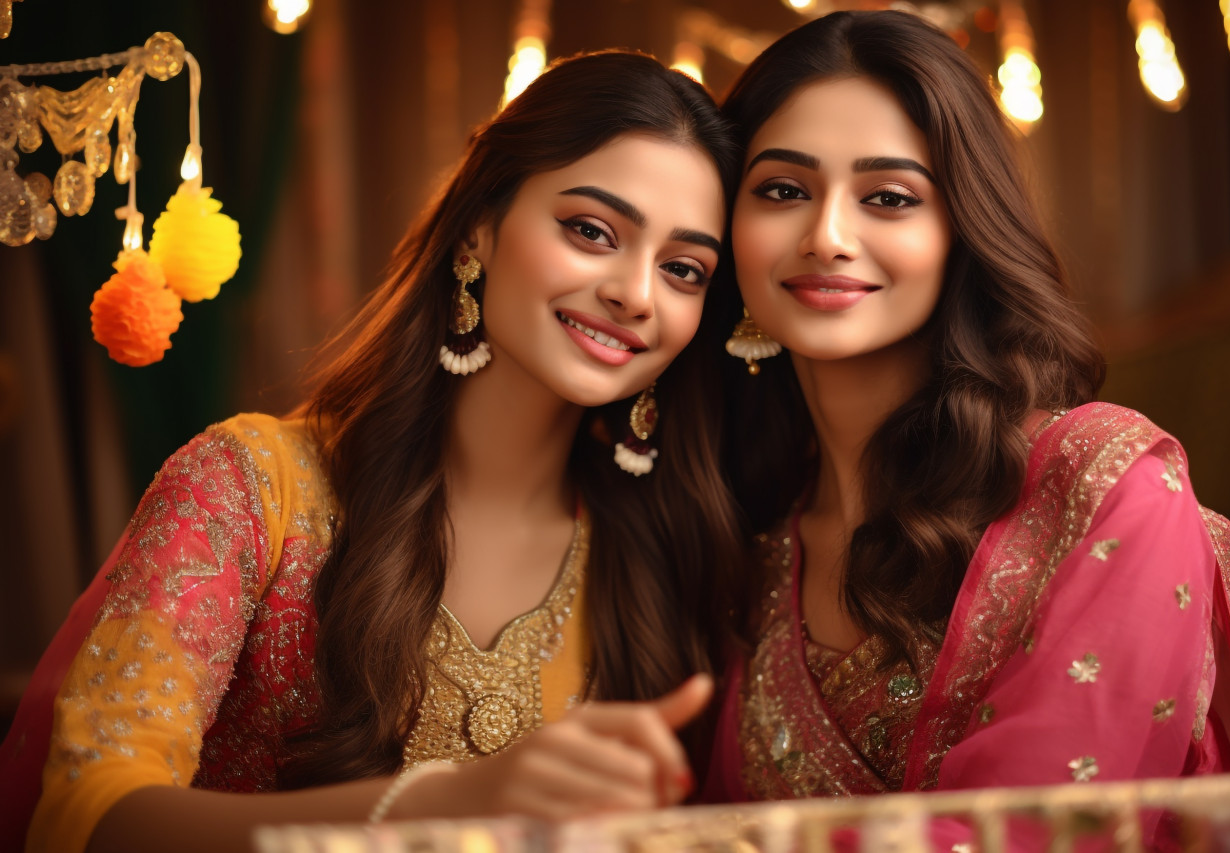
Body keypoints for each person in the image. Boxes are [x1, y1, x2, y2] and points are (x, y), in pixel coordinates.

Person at [7, 50, 745, 853]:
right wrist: (442, 802)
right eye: (591, 230)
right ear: (479, 229)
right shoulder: (252, 488)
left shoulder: (654, 560)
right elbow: (84, 815)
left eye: (683, 269)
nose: (637, 293)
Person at [705, 7, 1230, 838]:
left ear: (960, 231)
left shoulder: (1105, 484)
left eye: (890, 197)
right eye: (783, 190)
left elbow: (1035, 829)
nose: (827, 235)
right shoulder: (748, 535)